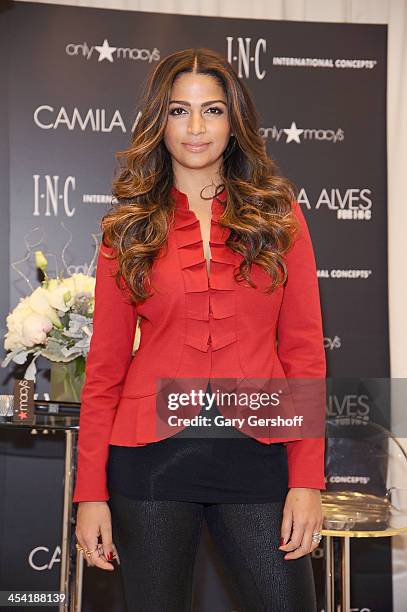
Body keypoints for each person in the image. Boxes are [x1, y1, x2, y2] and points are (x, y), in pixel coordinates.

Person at [73, 47, 326, 612]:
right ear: (158, 122)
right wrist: (90, 493)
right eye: (178, 110)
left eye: (211, 110)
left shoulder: (278, 213)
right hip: (151, 462)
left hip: (260, 451)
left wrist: (307, 480)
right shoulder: (129, 225)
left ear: (233, 120)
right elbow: (106, 366)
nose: (195, 127)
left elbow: (305, 351)